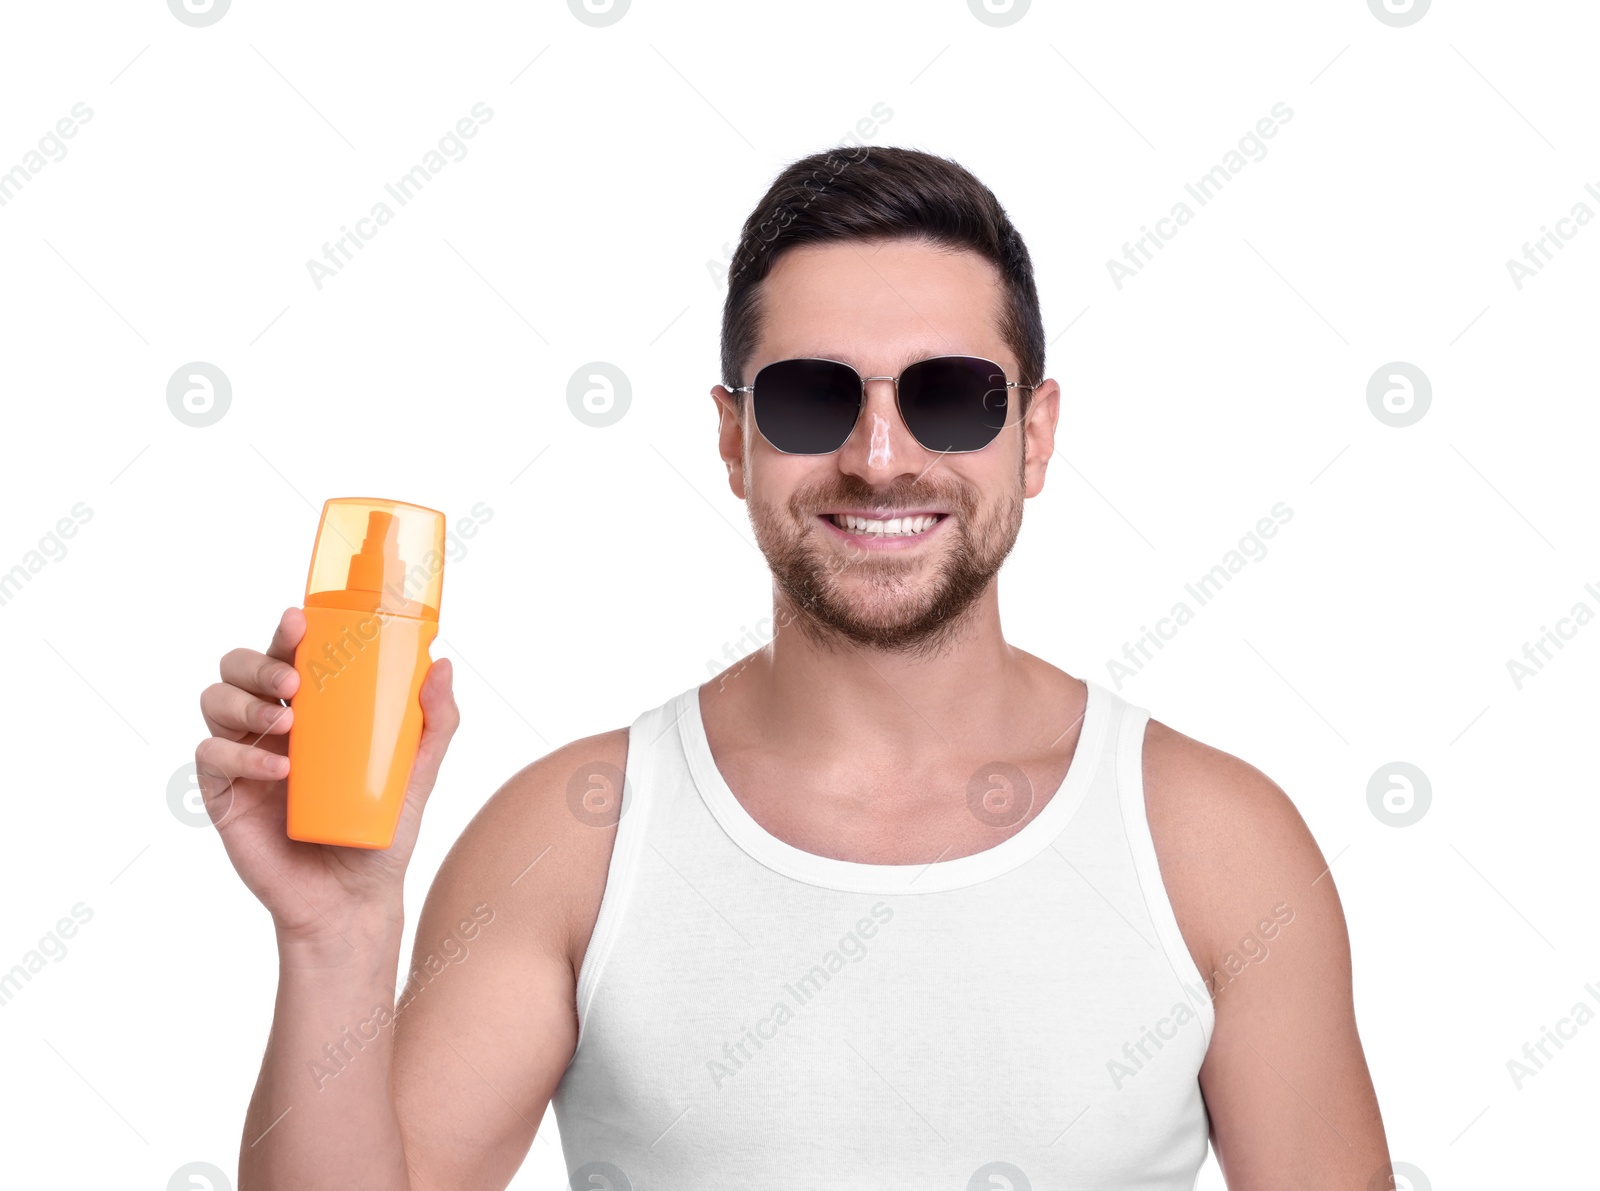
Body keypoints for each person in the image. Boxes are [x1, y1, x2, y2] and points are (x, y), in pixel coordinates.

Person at [198, 145, 1392, 1189]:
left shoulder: (1217, 843)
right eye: (814, 399)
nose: (880, 458)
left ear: (1033, 436)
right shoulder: (569, 839)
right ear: (734, 439)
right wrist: (335, 936)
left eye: (952, 397)